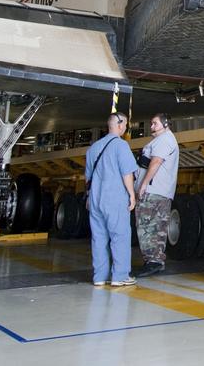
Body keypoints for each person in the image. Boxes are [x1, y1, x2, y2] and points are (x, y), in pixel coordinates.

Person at [85, 112, 137, 287]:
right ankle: (120, 275)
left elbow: (88, 178)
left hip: (95, 199)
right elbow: (127, 173)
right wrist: (131, 194)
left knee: (98, 238)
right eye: (126, 125)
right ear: (120, 125)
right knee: (120, 236)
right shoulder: (121, 146)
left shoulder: (93, 148)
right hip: (114, 198)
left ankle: (99, 276)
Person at [135, 113, 180, 278]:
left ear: (165, 124)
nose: (151, 126)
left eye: (154, 123)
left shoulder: (165, 139)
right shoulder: (160, 140)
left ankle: (153, 261)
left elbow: (156, 162)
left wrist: (144, 183)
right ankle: (153, 261)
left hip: (154, 192)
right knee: (152, 226)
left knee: (149, 227)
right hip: (156, 192)